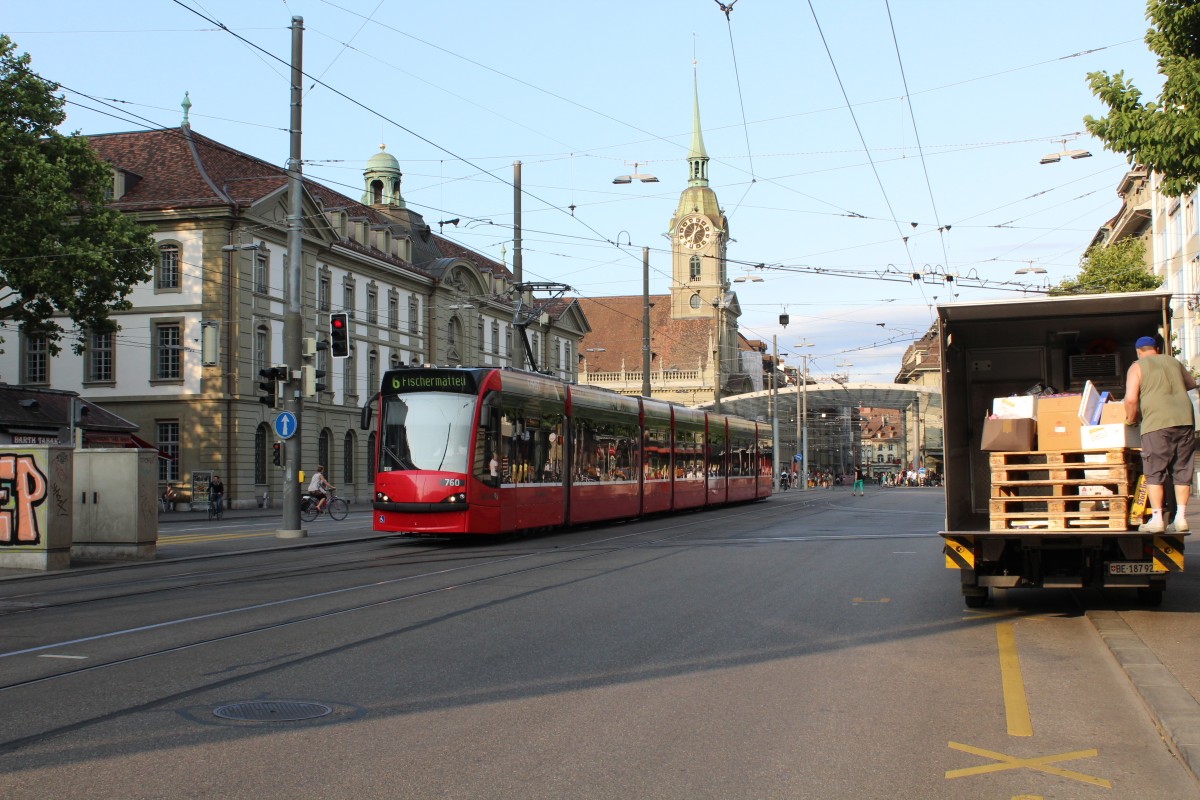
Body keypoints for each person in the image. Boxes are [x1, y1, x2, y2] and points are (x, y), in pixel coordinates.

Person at [1124, 335, 1197, 533]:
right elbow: (1191, 384)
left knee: (1154, 470)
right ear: (1156, 348)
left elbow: (1130, 399)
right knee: (1182, 470)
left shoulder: (1137, 366)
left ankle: (1157, 519)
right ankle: (1180, 519)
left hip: (1156, 424)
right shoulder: (1174, 362)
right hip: (1185, 421)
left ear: (1138, 351)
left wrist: (1131, 420)